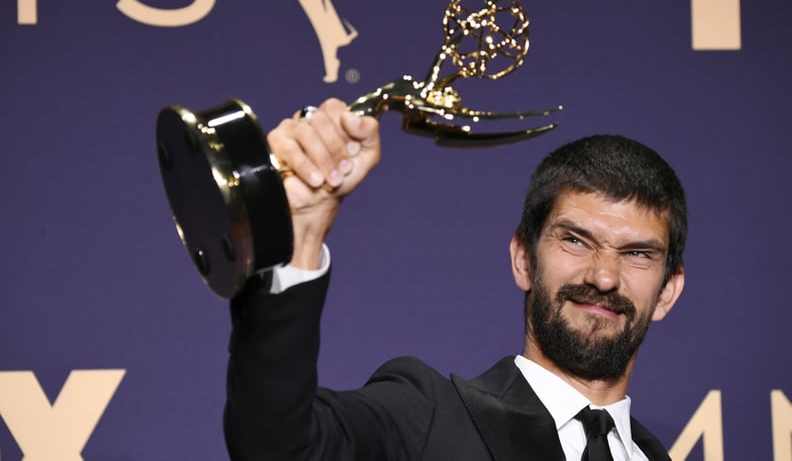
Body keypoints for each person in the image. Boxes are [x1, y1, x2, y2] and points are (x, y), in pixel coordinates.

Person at [223, 98, 686, 460]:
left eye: (637, 254)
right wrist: (298, 237)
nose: (604, 276)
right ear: (523, 259)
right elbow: (277, 447)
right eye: (576, 241)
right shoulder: (428, 416)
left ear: (667, 292)